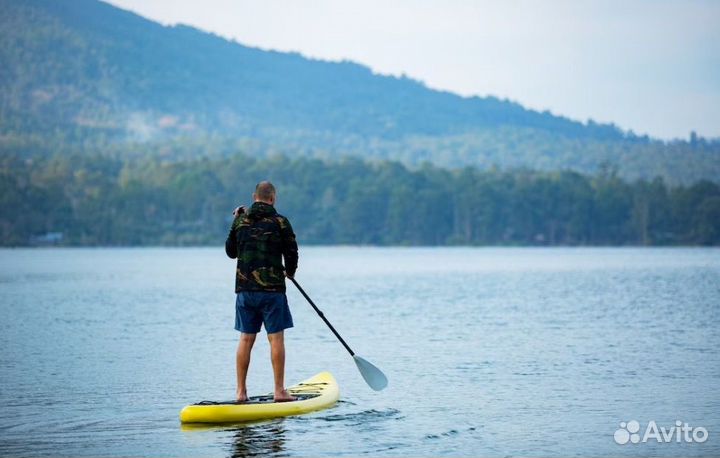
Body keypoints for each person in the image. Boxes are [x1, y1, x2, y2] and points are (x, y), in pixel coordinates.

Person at [225, 181, 298, 402]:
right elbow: (292, 252)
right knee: (276, 340)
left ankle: (240, 392)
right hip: (272, 290)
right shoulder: (280, 222)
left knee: (246, 339)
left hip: (245, 290)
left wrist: (235, 221)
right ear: (272, 198)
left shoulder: (241, 221)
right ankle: (279, 391)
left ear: (254, 197)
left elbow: (230, 251)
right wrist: (291, 272)